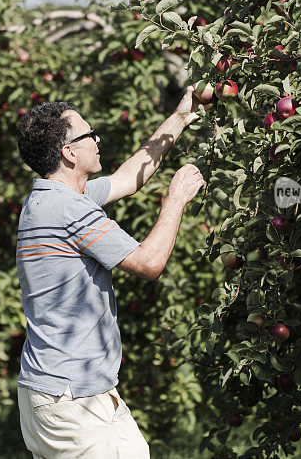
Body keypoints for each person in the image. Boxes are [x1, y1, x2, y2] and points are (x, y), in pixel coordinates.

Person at [13, 86, 205, 458]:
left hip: (73, 391)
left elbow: (128, 178)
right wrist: (175, 200)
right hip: (71, 398)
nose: (97, 138)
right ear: (70, 152)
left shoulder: (50, 199)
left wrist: (180, 117)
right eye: (89, 134)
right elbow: (149, 264)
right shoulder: (70, 210)